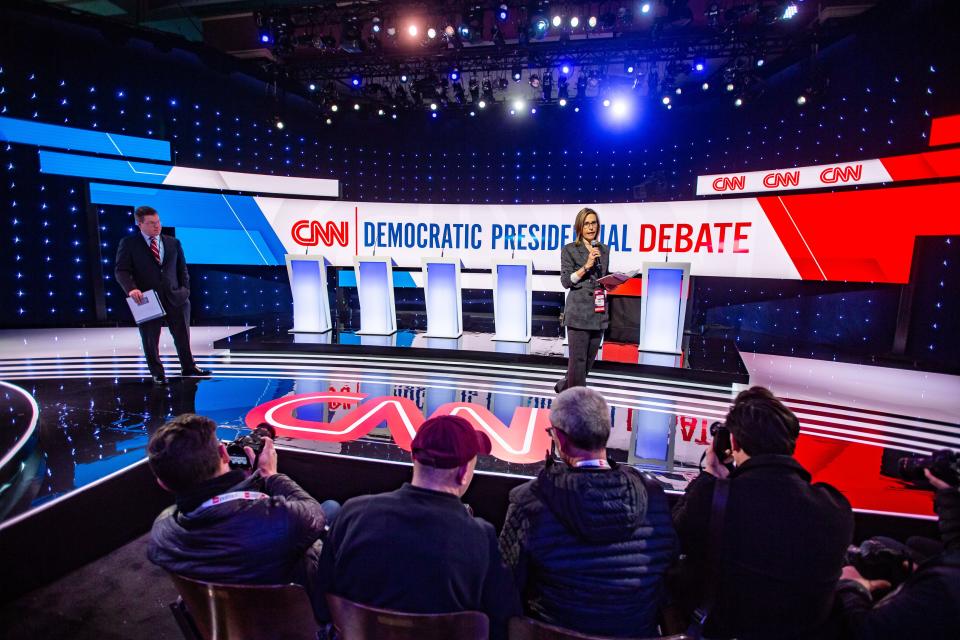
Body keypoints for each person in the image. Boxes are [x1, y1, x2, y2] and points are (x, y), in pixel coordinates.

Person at [314, 415, 521, 640]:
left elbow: (322, 606)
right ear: (463, 473)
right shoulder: (481, 537)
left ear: (413, 457)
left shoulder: (352, 514)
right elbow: (505, 625)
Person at [671, 386, 854, 639]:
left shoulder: (716, 498)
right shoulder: (835, 506)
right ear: (790, 442)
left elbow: (674, 538)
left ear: (733, 441)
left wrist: (710, 475)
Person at [499, 387, 678, 638]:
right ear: (606, 432)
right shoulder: (655, 498)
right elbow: (668, 572)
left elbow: (503, 589)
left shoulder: (529, 501)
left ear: (560, 439)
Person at [146, 414, 339, 618]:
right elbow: (315, 513)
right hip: (293, 620)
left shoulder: (162, 534)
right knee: (332, 508)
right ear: (224, 453)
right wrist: (269, 474)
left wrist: (242, 483)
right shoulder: (279, 521)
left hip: (222, 622)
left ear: (163, 484)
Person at [835, 466, 960, 639]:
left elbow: (863, 633)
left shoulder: (941, 588)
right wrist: (950, 496)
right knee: (886, 546)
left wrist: (852, 588)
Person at [115, 205, 209, 385]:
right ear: (139, 224)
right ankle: (157, 372)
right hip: (146, 299)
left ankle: (188, 367)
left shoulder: (173, 242)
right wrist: (131, 288)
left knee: (182, 334)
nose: (156, 226)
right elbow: (121, 271)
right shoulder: (129, 244)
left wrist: (185, 290)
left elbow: (183, 269)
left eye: (158, 222)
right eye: (151, 223)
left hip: (176, 297)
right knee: (150, 337)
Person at [557, 207, 611, 392]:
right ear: (579, 227)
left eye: (593, 223)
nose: (590, 227)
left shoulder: (603, 249)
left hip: (598, 311)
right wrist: (586, 266)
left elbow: (601, 278)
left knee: (587, 361)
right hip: (578, 312)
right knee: (577, 361)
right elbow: (566, 281)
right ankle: (576, 404)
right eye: (586, 224)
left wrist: (611, 283)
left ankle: (565, 386)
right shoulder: (570, 250)